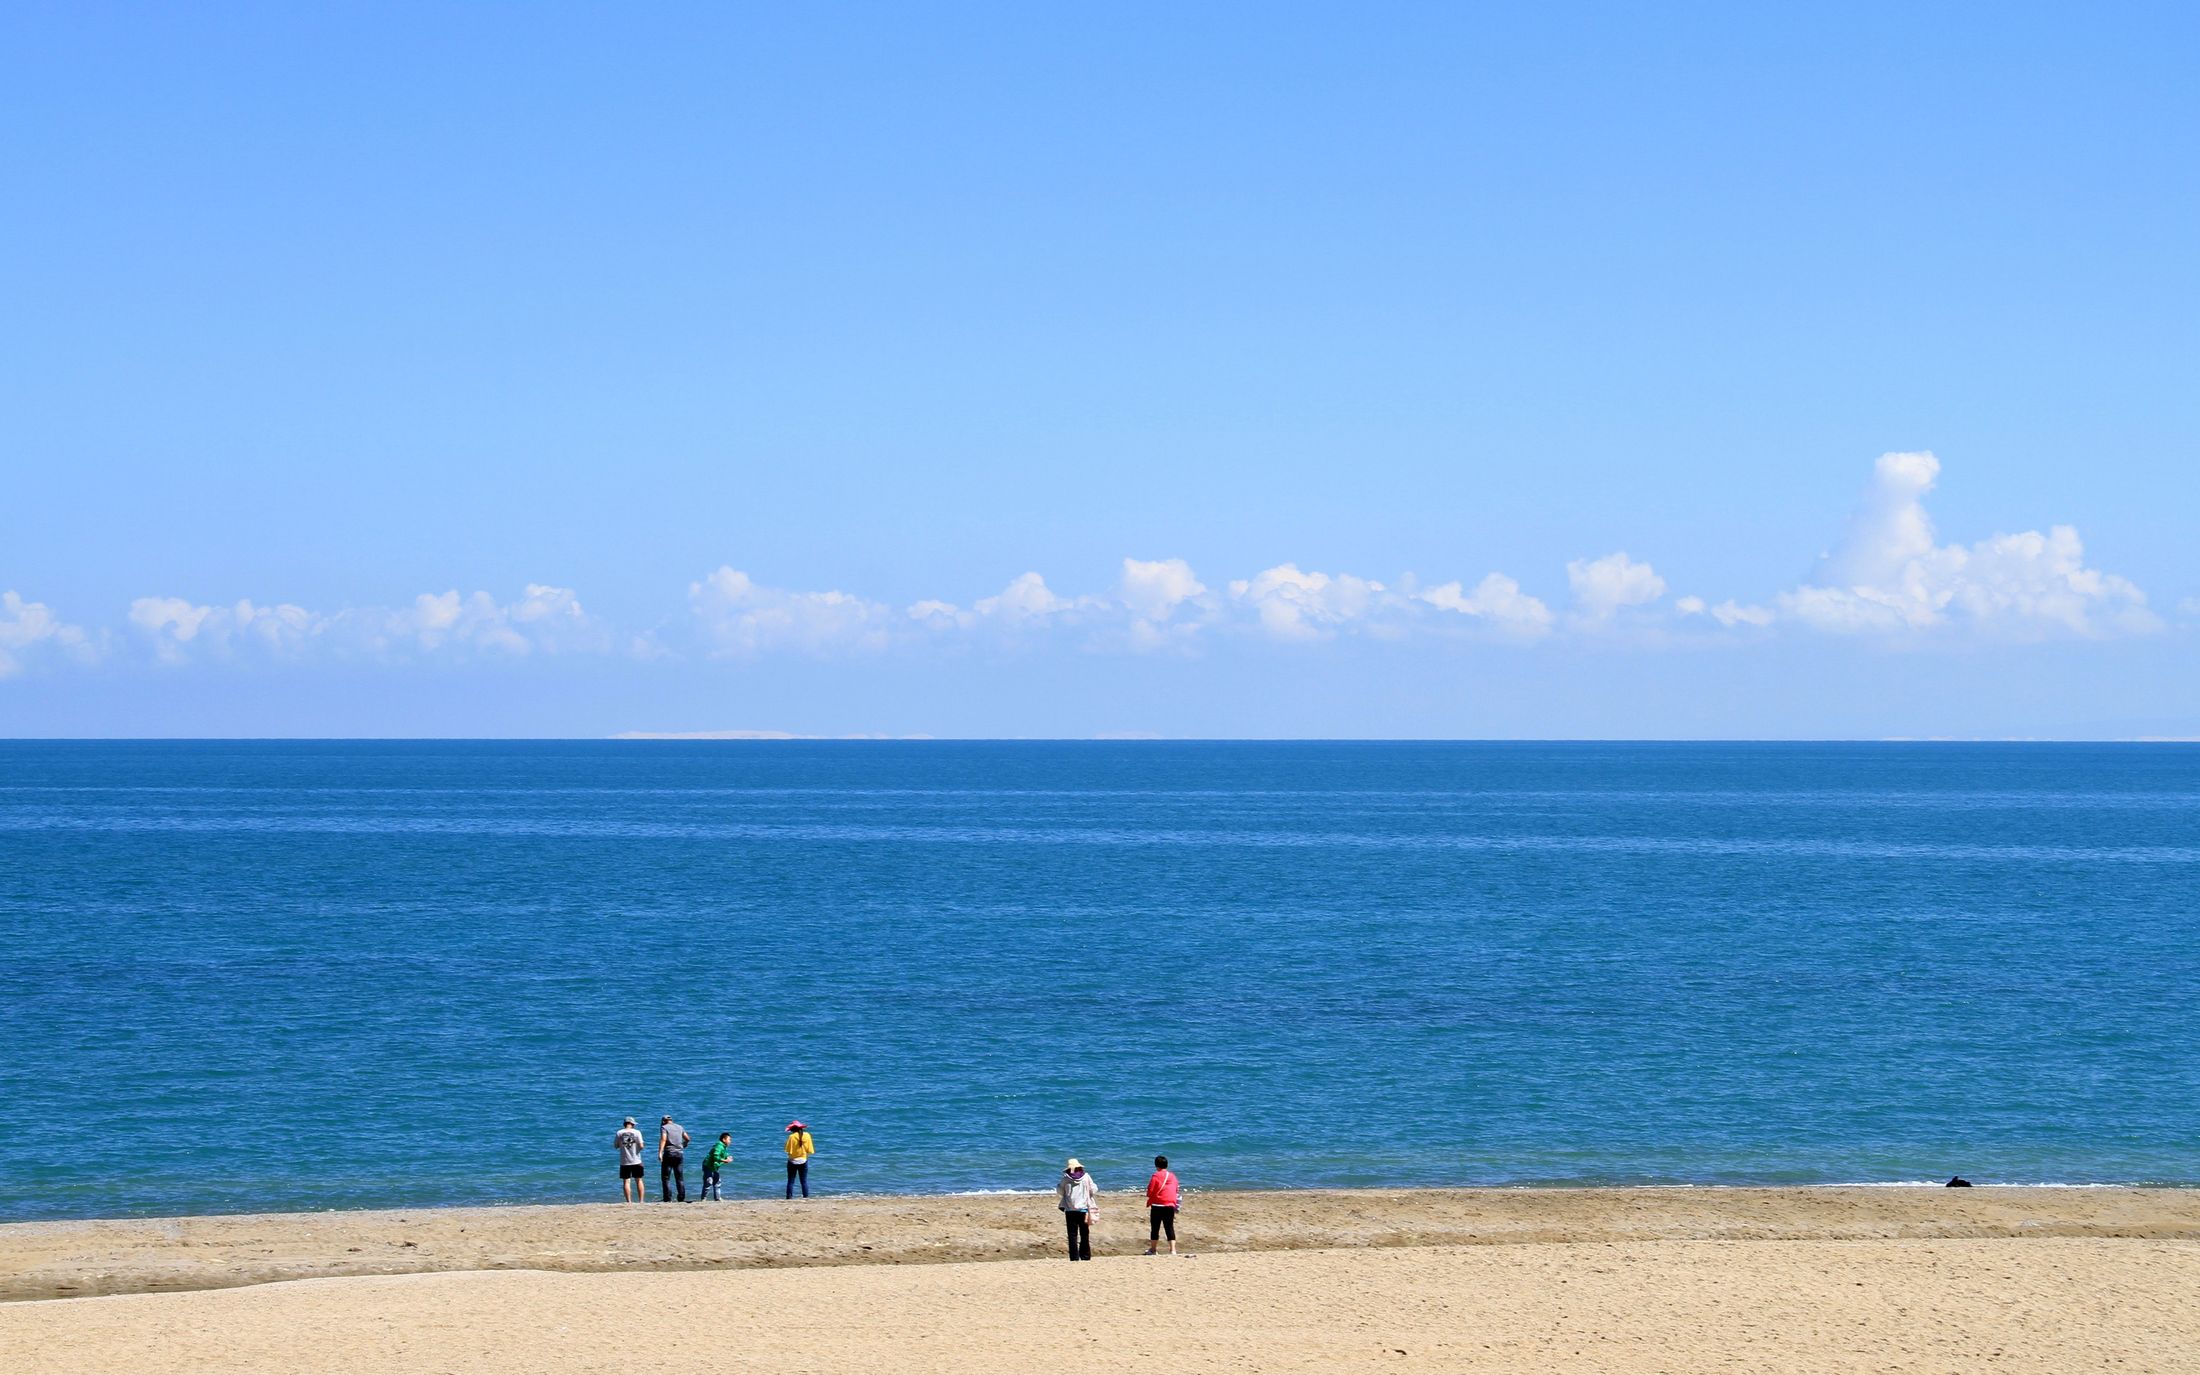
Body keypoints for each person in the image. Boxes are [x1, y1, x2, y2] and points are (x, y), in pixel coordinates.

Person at [1057, 1158, 1099, 1261]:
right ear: (1079, 1167)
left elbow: (1060, 1191)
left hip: (1070, 1210)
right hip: (1083, 1209)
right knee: (1084, 1233)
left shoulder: (1065, 1178)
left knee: (1072, 1235)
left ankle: (1074, 1257)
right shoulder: (1086, 1177)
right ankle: (1085, 1256)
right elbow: (1094, 1189)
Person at [1145, 1155, 1180, 1255]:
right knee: (1169, 1227)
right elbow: (1176, 1189)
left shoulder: (1156, 1176)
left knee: (1155, 1228)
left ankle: (1153, 1249)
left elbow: (1150, 1191)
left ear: (1156, 1165)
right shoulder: (1173, 1176)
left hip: (1157, 1205)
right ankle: (1172, 1250)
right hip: (1170, 1204)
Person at [659, 1114, 691, 1202]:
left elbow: (663, 1139)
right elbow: (687, 1138)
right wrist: (683, 1145)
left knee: (666, 1177)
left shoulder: (664, 1128)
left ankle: (667, 1198)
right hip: (679, 1154)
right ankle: (681, 1198)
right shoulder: (680, 1127)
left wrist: (660, 1152)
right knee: (679, 1177)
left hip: (669, 1154)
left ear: (663, 1121)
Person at [614, 1117, 646, 1203]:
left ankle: (629, 1201)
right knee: (639, 1180)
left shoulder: (619, 1133)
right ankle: (641, 1201)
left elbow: (616, 1146)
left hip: (624, 1161)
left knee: (626, 1181)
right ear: (632, 1124)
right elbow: (642, 1146)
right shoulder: (637, 1132)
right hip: (636, 1160)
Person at [784, 1121, 815, 1198]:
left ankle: (789, 1197)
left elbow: (787, 1150)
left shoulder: (792, 1137)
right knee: (804, 1181)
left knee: (791, 1181)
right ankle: (806, 1196)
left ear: (793, 1129)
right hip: (803, 1160)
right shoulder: (807, 1135)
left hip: (792, 1161)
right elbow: (809, 1150)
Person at [703, 1132, 732, 1201]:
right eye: (729, 1139)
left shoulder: (723, 1147)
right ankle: (703, 1198)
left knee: (717, 1181)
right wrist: (724, 1161)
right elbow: (715, 1157)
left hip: (715, 1167)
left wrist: (728, 1157)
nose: (730, 1141)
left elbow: (725, 1154)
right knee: (708, 1182)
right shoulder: (719, 1146)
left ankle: (717, 1198)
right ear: (724, 1139)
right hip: (708, 1166)